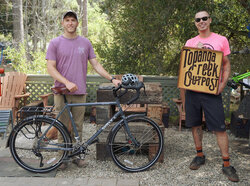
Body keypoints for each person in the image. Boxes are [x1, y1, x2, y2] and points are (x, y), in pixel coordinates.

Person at [46, 11, 121, 170]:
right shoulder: (55, 43)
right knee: (62, 126)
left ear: (77, 23)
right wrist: (66, 82)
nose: (70, 23)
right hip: (61, 92)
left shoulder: (85, 43)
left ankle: (77, 156)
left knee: (78, 126)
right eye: (67, 20)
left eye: (73, 20)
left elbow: (96, 65)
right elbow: (50, 68)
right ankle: (62, 158)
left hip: (80, 93)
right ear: (62, 23)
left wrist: (112, 78)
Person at [184, 10, 239, 182]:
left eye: (204, 18)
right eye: (198, 19)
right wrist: (184, 89)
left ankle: (227, 164)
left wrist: (222, 86)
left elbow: (226, 64)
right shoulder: (190, 42)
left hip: (212, 92)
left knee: (220, 128)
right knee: (195, 124)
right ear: (195, 23)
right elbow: (186, 67)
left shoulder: (221, 40)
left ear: (210, 20)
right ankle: (199, 155)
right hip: (193, 91)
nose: (201, 21)